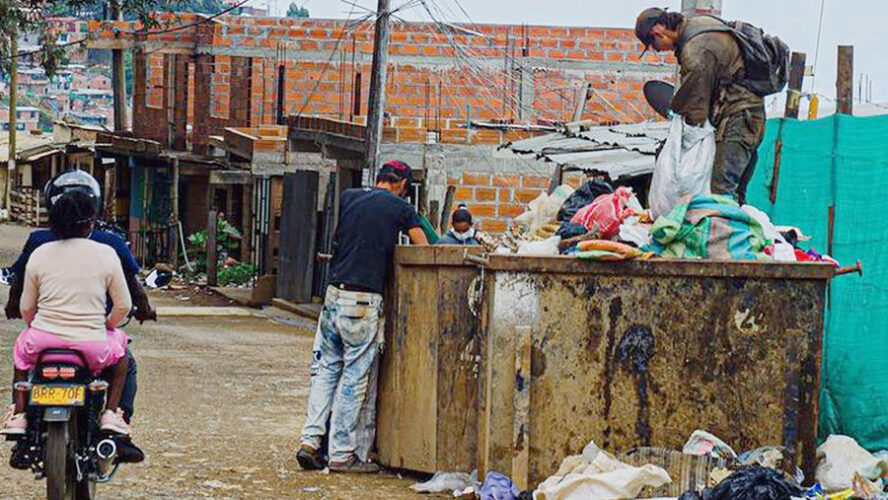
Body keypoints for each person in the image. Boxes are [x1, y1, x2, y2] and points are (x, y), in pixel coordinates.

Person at [3, 170, 149, 463]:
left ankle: (19, 414)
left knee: (21, 359)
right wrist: (105, 326)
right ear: (91, 220)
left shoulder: (39, 252)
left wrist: (39, 326)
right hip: (92, 343)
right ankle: (111, 414)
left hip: (42, 341)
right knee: (124, 359)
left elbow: (25, 306)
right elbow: (123, 305)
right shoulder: (108, 250)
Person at [298, 160, 428, 473]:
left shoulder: (350, 197)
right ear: (402, 185)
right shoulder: (400, 207)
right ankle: (342, 454)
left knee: (326, 370)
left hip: (333, 295)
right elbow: (424, 247)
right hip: (362, 301)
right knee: (354, 377)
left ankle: (310, 442)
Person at [634, 8, 766, 204]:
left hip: (737, 121)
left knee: (721, 194)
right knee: (733, 193)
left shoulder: (695, 50)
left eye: (654, 44)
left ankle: (723, 232)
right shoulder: (701, 24)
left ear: (658, 32)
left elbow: (695, 109)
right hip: (748, 117)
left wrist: (679, 140)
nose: (660, 50)